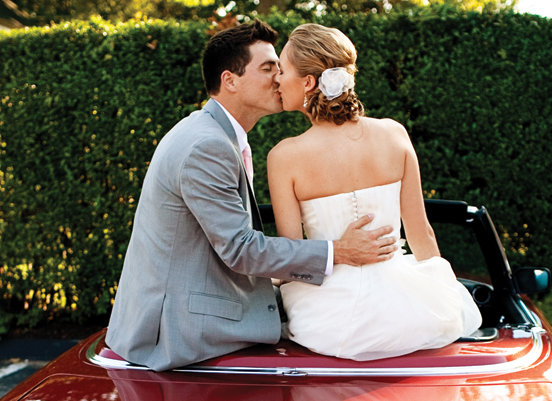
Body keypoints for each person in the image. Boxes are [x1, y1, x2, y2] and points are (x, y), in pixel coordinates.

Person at [106, 20, 397, 371]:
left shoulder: (216, 135)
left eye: (279, 67)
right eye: (267, 68)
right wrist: (340, 251)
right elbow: (240, 249)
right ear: (230, 80)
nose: (278, 78)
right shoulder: (208, 146)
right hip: (179, 337)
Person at [268, 24, 482, 361]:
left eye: (282, 70)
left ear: (308, 82)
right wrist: (442, 294)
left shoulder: (284, 157)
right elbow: (421, 233)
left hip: (329, 322)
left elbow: (295, 259)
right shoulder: (394, 134)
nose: (277, 79)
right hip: (410, 314)